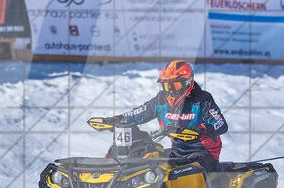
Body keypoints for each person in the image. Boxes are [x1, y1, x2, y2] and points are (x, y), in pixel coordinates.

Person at [88, 60, 228, 169]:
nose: (171, 91)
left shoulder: (202, 99)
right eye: (167, 86)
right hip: (177, 151)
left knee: (177, 172)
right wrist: (116, 120)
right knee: (148, 160)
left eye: (175, 86)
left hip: (205, 154)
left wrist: (201, 129)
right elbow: (139, 113)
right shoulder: (161, 100)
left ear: (188, 83)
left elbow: (221, 124)